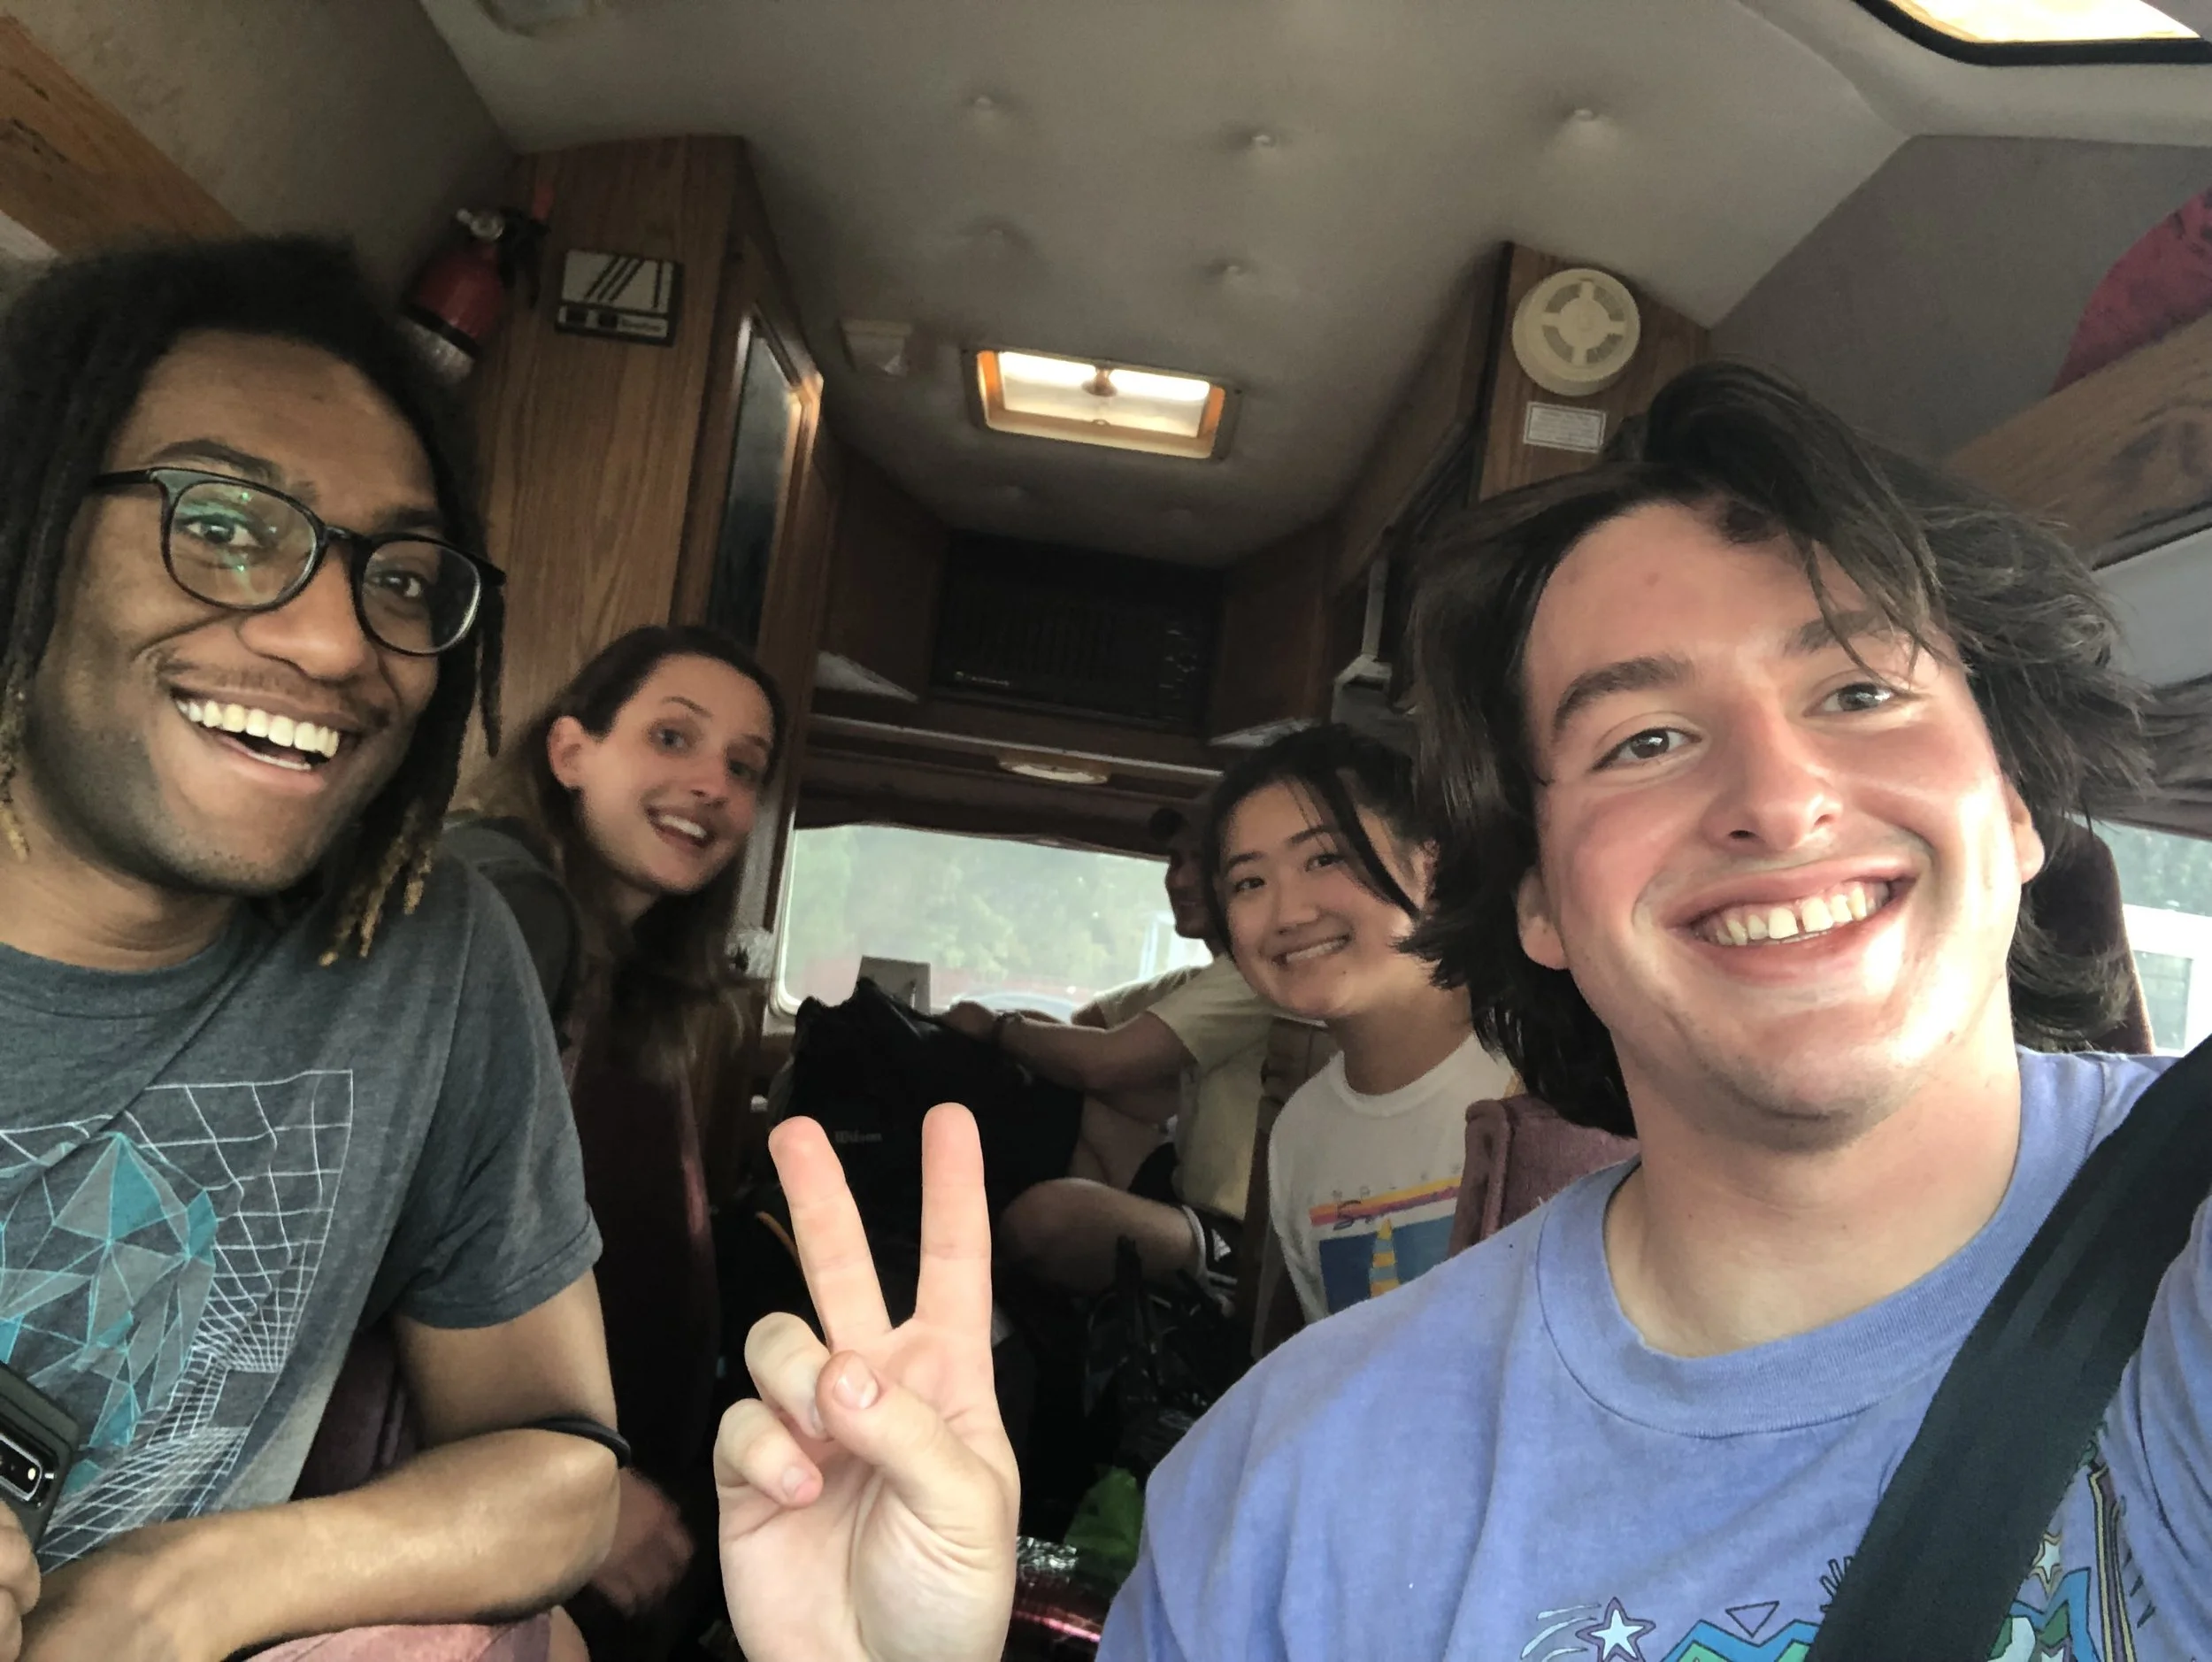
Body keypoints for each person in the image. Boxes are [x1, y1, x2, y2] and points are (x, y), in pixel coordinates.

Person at [709, 360, 2212, 1660]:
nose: (1778, 794)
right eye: (1647, 738)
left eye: (1862, 692)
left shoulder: (2184, 1247)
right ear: (1536, 897)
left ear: (2018, 801)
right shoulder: (1286, 1481)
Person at [0, 237, 620, 1660]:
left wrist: (175, 1591)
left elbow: (562, 1467)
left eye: (399, 577)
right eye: (224, 525)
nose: (338, 642)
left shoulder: (432, 954)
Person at [449, 624, 785, 1657]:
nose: (712, 784)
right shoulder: (512, 907)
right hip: (486, 1521)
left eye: (743, 767)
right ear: (570, 751)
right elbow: (399, 1233)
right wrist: (561, 1489)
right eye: (672, 738)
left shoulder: (615, 964)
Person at [1202, 725, 1516, 1327]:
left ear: (1431, 866)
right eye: (1250, 882)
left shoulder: (1546, 1076)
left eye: (1324, 859)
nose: (1289, 913)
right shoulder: (1300, 1135)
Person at [945, 804, 1283, 1293]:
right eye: (1174, 860)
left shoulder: (1259, 974)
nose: (1180, 880)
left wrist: (995, 1027)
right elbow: (1083, 1033)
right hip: (1183, 1188)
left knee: (1046, 1218)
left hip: (1236, 1235)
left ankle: (972, 1287)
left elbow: (1102, 1062)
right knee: (1068, 1099)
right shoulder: (1203, 981)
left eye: (1203, 862)